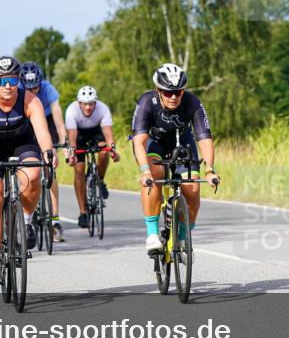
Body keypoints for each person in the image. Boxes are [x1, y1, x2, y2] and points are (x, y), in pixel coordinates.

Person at [0, 56, 56, 286]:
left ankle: (26, 220)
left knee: (33, 174)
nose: (8, 86)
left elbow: (43, 134)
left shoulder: (29, 100)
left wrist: (48, 152)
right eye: (2, 81)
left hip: (22, 143)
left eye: (13, 80)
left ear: (18, 80)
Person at [132, 64, 219, 253]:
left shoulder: (192, 102)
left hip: (182, 143)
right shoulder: (147, 102)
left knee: (192, 189)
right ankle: (152, 234)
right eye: (168, 92)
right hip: (154, 143)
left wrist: (210, 169)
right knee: (155, 175)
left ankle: (182, 236)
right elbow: (139, 142)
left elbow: (205, 139)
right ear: (158, 90)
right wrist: (145, 171)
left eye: (178, 92)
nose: (173, 97)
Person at [20, 61, 67, 242]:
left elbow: (59, 123)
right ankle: (28, 214)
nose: (32, 92)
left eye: (35, 88)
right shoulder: (18, 90)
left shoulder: (48, 90)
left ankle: (55, 220)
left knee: (50, 168)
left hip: (46, 121)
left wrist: (64, 145)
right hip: (26, 122)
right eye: (28, 89)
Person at [64, 86, 120, 230]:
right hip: (79, 135)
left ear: (95, 102)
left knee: (104, 151)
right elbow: (72, 135)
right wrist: (72, 153)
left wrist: (113, 150)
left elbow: (108, 132)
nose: (88, 107)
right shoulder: (71, 110)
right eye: (84, 104)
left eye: (91, 104)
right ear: (79, 103)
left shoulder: (103, 108)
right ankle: (83, 212)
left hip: (96, 132)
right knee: (79, 170)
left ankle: (100, 179)